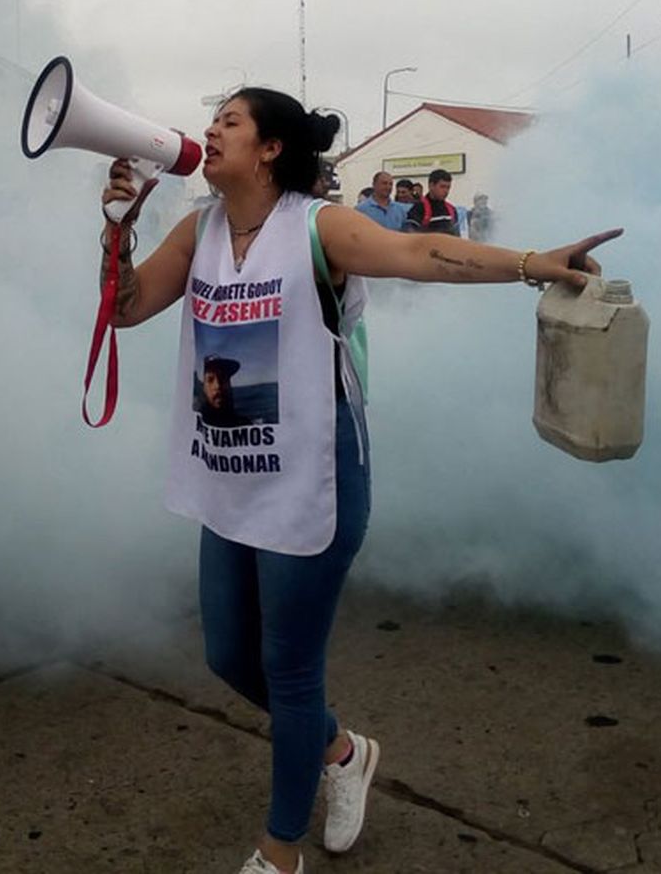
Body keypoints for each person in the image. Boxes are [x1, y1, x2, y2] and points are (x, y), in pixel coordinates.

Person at [99, 88, 617, 874]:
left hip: (315, 477)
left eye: (229, 121)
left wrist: (530, 264)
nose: (209, 131)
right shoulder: (198, 228)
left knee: (290, 672)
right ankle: (343, 752)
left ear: (271, 148)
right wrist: (115, 231)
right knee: (226, 657)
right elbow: (128, 308)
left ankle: (279, 851)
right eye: (213, 120)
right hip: (233, 477)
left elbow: (420, 255)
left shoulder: (317, 226)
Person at [198, 354, 255, 428]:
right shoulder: (194, 425)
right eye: (210, 380)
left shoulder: (245, 426)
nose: (218, 386)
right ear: (203, 387)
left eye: (223, 378)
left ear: (229, 384)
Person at [402, 168, 462, 236]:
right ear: (431, 185)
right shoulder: (419, 208)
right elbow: (410, 235)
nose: (446, 191)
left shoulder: (451, 210)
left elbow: (457, 236)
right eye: (442, 187)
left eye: (448, 187)